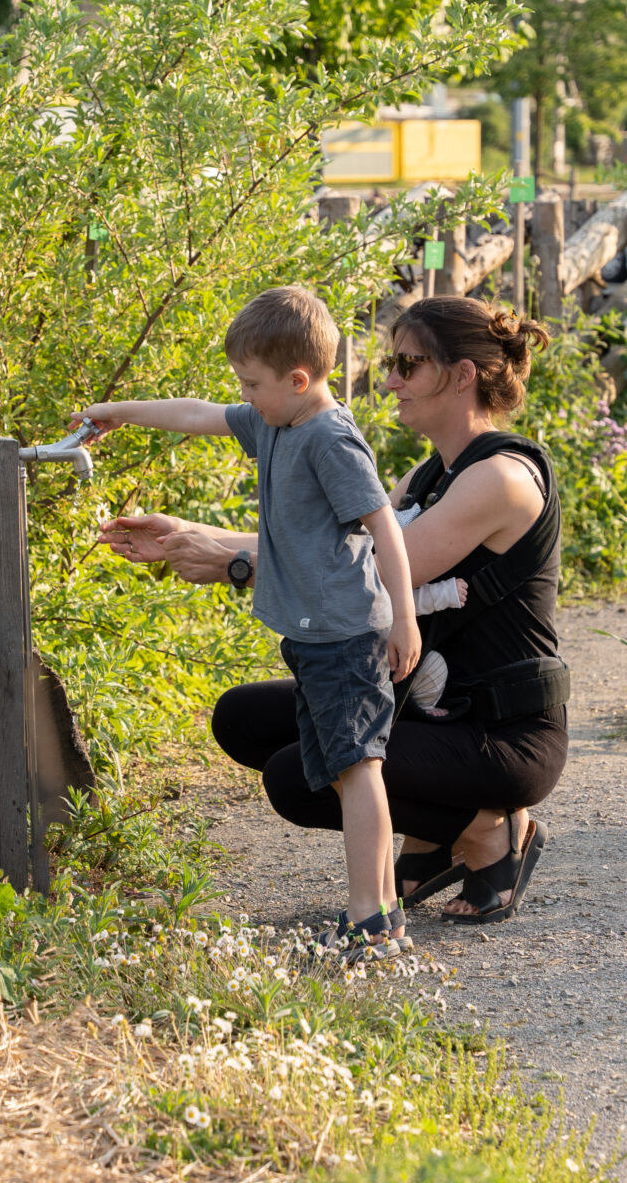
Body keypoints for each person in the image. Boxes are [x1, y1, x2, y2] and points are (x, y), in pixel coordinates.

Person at [98, 295, 566, 924]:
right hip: (432, 711)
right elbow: (329, 547)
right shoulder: (431, 475)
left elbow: (372, 568)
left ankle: (485, 829)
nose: (391, 380)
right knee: (243, 719)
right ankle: (439, 834)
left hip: (500, 734)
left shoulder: (501, 478)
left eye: (409, 364)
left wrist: (231, 564)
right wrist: (186, 533)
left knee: (301, 775)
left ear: (462, 376)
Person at [75, 286, 424, 957]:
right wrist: (115, 412)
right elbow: (199, 413)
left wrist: (404, 618)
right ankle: (382, 916)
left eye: (254, 383)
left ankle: (369, 918)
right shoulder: (276, 420)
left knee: (360, 770)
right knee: (354, 768)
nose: (246, 395)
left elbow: (386, 527)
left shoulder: (327, 435)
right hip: (315, 635)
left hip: (349, 634)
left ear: (299, 379)